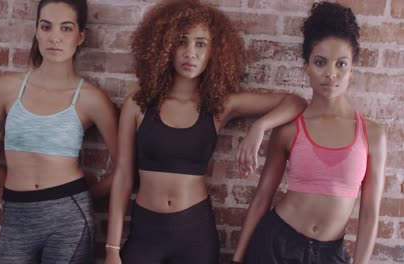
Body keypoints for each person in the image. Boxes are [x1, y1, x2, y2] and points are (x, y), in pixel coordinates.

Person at [104, 1, 307, 264]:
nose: (191, 53)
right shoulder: (138, 103)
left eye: (201, 44)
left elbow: (296, 102)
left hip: (194, 233)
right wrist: (111, 247)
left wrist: (260, 126)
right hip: (146, 232)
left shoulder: (219, 106)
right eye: (182, 42)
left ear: (214, 51)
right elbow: (122, 177)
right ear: (165, 46)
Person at [231, 2, 387, 264]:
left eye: (341, 64)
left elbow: (370, 213)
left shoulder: (372, 134)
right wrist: (237, 259)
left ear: (352, 70)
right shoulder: (290, 129)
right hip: (274, 245)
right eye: (320, 62)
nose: (331, 73)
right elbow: (261, 199)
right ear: (306, 67)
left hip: (329, 254)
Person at [0, 0, 118, 263]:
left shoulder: (91, 98)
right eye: (46, 27)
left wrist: (79, 195)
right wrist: (18, 190)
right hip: (17, 215)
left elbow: (126, 168)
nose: (55, 38)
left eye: (66, 28)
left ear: (80, 36)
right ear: (36, 31)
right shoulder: (7, 87)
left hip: (68, 219)